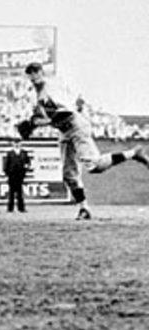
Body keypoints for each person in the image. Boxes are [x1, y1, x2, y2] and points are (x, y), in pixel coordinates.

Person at [18, 62, 148, 220]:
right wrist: (32, 123)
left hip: (75, 125)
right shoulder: (35, 95)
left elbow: (64, 114)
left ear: (41, 73)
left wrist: (36, 123)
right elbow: (39, 116)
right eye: (30, 73)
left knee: (94, 166)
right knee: (68, 174)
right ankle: (84, 209)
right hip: (64, 131)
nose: (33, 76)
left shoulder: (52, 89)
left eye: (35, 72)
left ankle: (133, 153)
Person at [2, 138, 32, 213]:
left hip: (20, 175)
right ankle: (10, 208)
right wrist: (8, 174)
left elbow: (28, 163)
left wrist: (25, 170)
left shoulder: (24, 153)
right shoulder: (10, 153)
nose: (16, 144)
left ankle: (21, 208)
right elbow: (6, 165)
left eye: (18, 142)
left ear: (21, 143)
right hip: (12, 175)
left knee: (19, 192)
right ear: (12, 144)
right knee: (11, 193)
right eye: (15, 143)